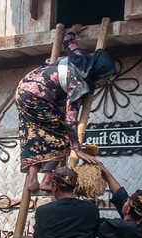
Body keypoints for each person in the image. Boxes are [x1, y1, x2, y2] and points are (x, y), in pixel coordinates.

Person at [16, 26, 113, 193]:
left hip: (22, 90)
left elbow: (68, 41)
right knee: (64, 135)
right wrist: (76, 148)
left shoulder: (81, 57)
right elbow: (70, 120)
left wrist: (72, 30)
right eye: (104, 79)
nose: (105, 83)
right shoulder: (79, 85)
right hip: (38, 98)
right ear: (96, 74)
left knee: (31, 133)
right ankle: (47, 179)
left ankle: (33, 180)